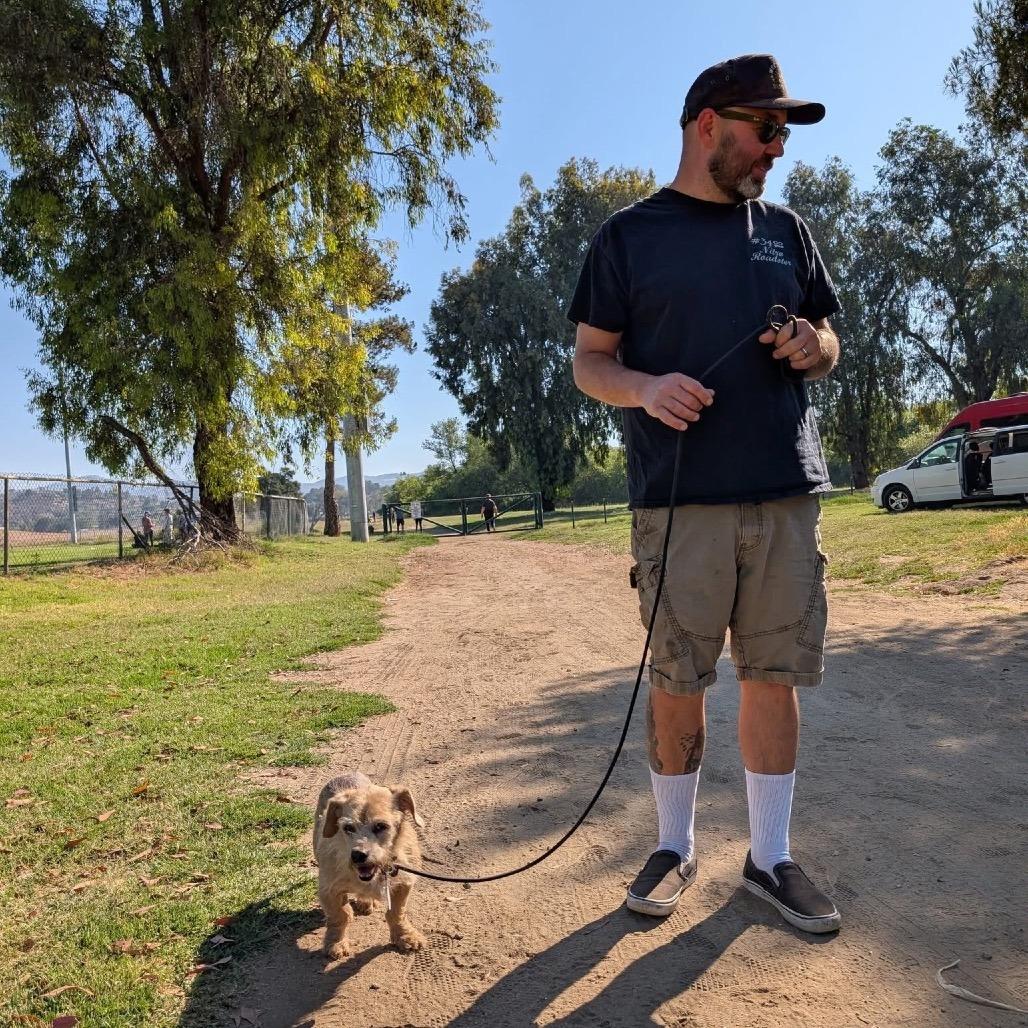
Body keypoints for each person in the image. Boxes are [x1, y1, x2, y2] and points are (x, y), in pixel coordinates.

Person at [569, 54, 842, 934]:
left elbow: (830, 338)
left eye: (783, 134)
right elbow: (590, 361)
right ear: (706, 125)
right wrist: (645, 389)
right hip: (679, 505)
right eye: (765, 130)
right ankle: (676, 845)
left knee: (774, 675)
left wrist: (813, 344)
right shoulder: (627, 237)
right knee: (678, 676)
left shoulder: (788, 230)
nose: (775, 149)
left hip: (785, 497)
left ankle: (770, 860)